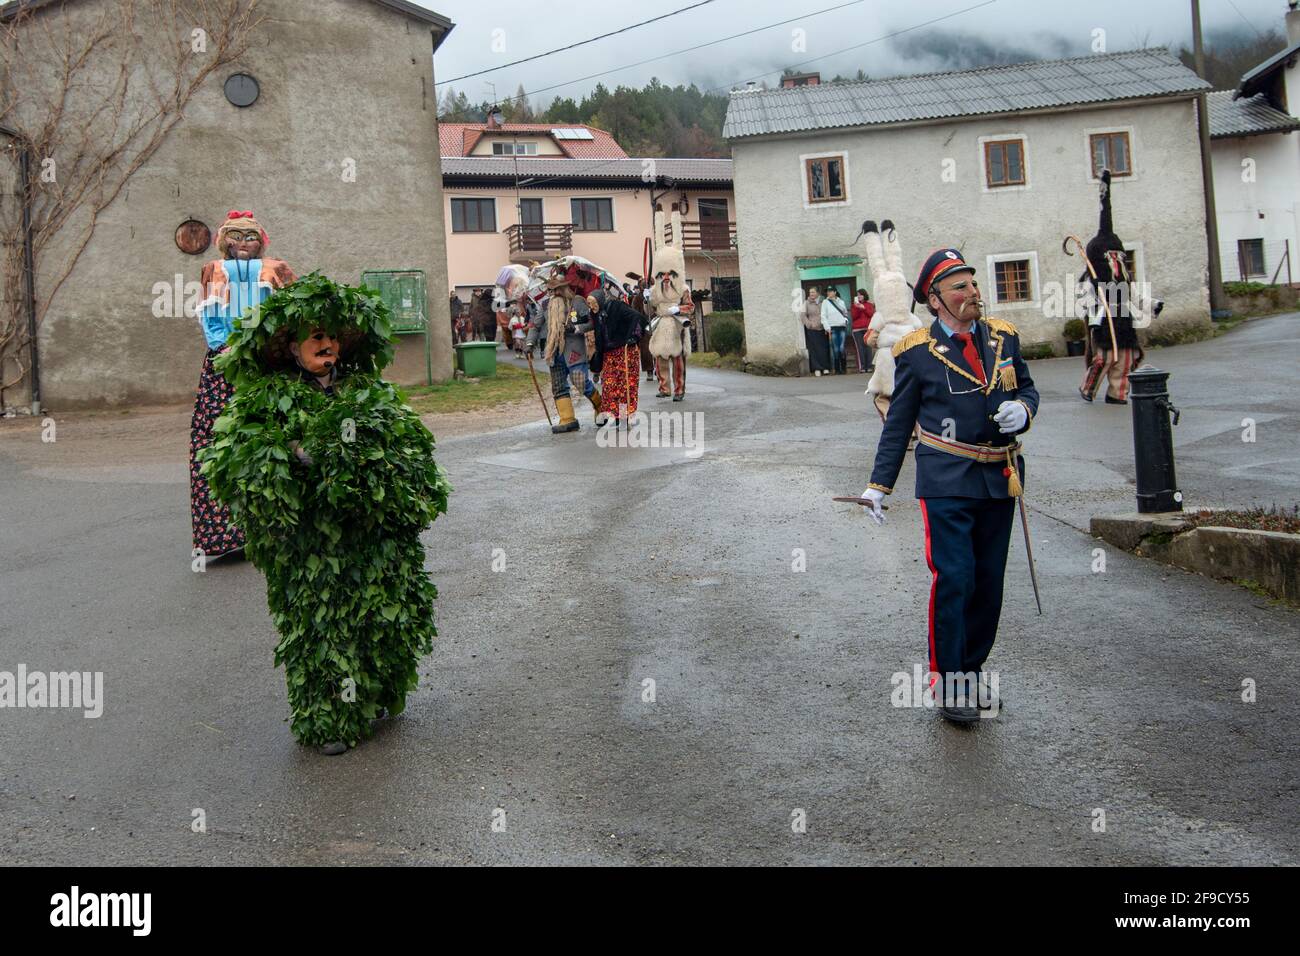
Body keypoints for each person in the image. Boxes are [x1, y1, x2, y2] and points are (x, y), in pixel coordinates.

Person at [199, 273, 451, 756]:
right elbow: (242, 457)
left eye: (333, 336)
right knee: (323, 623)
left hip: (370, 528)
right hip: (311, 535)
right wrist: (294, 457)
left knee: (378, 610)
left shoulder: (364, 388)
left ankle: (372, 693)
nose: (328, 344)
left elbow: (405, 444)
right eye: (316, 336)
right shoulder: (262, 397)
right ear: (292, 346)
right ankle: (330, 716)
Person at [859, 248, 1039, 725]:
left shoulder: (1004, 338)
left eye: (972, 284)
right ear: (935, 299)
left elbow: (1027, 387)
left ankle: (973, 673)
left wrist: (1024, 410)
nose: (971, 293)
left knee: (988, 584)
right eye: (958, 287)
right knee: (955, 577)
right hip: (945, 479)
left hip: (999, 477)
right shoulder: (915, 352)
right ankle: (949, 682)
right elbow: (898, 424)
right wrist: (880, 484)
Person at [190, 210, 296, 561]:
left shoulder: (276, 270)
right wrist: (226, 348)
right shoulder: (213, 271)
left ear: (261, 240)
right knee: (220, 441)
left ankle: (281, 526)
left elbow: (293, 309)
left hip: (270, 363)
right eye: (235, 236)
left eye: (250, 236)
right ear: (224, 241)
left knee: (276, 437)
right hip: (227, 365)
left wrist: (277, 346)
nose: (242, 243)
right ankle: (225, 534)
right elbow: (210, 317)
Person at [1077, 170, 1159, 405]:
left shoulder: (1123, 277)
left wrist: (1152, 305)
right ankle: (1088, 388)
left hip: (1123, 318)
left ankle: (1117, 393)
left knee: (1126, 357)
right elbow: (1083, 297)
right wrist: (1093, 299)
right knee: (1105, 357)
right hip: (1104, 319)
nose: (1114, 259)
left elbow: (1133, 296)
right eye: (1110, 255)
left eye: (1117, 255)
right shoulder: (1091, 277)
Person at [527, 262, 602, 433]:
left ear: (564, 288)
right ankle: (567, 418)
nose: (553, 294)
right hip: (554, 350)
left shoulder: (577, 302)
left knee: (580, 381)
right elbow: (535, 326)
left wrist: (576, 328)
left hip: (573, 350)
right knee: (559, 385)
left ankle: (600, 405)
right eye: (550, 290)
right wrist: (529, 343)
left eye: (556, 290)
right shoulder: (545, 306)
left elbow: (591, 322)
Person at [588, 288, 644, 427]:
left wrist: (633, 336)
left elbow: (636, 317)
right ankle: (615, 415)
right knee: (609, 385)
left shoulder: (617, 306)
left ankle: (624, 416)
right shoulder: (595, 313)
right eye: (589, 304)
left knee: (625, 386)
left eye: (593, 303)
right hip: (609, 354)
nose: (592, 307)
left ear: (600, 300)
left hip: (625, 351)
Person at [801, 287, 831, 376]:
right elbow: (802, 315)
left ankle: (825, 367)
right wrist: (809, 324)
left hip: (823, 329)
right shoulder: (806, 303)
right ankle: (817, 368)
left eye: (813, 292)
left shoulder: (824, 302)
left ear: (818, 293)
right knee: (814, 349)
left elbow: (828, 313)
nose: (811, 294)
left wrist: (827, 326)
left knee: (824, 349)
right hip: (812, 330)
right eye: (810, 292)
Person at [821, 287, 851, 375]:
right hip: (832, 327)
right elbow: (823, 316)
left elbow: (845, 313)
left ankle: (844, 368)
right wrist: (827, 327)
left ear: (835, 292)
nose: (828, 293)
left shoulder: (841, 302)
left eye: (830, 291)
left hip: (841, 327)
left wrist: (845, 321)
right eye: (828, 292)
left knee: (842, 348)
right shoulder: (825, 302)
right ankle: (837, 369)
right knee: (836, 349)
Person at [851, 289, 875, 373]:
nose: (859, 296)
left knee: (868, 347)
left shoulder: (869, 305)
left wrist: (863, 308)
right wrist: (858, 308)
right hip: (857, 329)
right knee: (860, 348)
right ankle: (862, 367)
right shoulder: (854, 306)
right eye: (858, 295)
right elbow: (854, 317)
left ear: (864, 295)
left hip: (867, 328)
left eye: (861, 295)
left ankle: (869, 366)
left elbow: (871, 314)